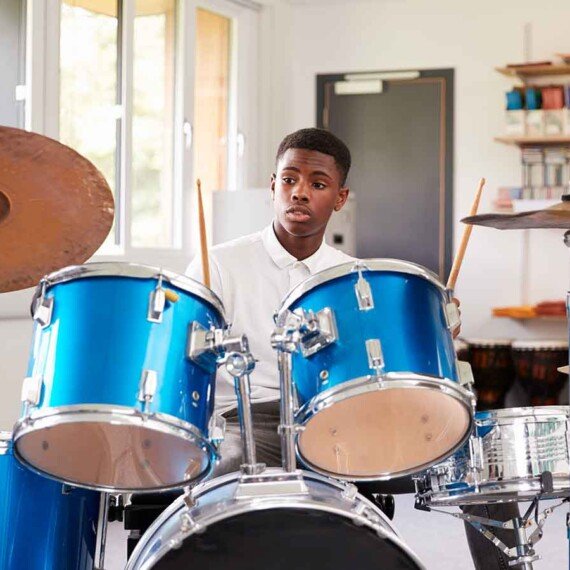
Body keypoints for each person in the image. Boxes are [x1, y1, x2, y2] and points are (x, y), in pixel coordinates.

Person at [185, 127, 520, 568]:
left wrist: (436, 328)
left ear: (340, 198)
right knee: (224, 467)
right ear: (273, 185)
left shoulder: (354, 276)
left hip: (343, 418)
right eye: (289, 180)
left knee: (481, 455)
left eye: (318, 184)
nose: (299, 193)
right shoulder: (219, 264)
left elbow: (382, 360)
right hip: (251, 420)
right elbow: (186, 350)